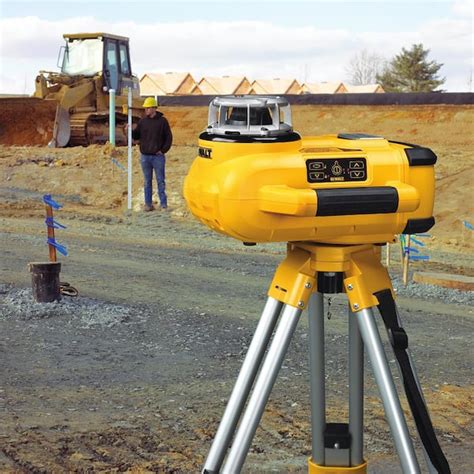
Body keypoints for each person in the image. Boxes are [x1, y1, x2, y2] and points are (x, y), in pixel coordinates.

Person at [129, 97, 173, 211]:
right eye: (145, 108)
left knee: (160, 181)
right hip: (145, 157)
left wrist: (163, 150)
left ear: (154, 108)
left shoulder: (162, 121)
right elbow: (136, 136)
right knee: (147, 181)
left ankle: (163, 205)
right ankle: (148, 204)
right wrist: (130, 130)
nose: (146, 110)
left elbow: (169, 138)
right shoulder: (143, 122)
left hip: (158, 157)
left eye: (148, 108)